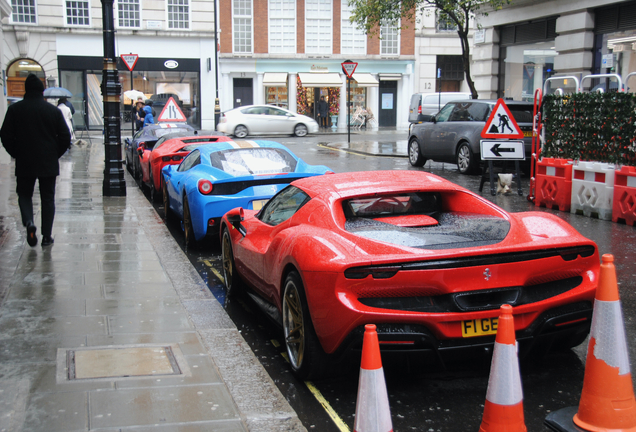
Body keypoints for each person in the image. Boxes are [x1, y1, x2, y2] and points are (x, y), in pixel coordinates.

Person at [0, 74, 71, 247]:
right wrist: (55, 153)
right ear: (42, 91)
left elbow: (5, 135)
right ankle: (46, 236)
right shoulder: (52, 111)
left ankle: (29, 222)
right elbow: (65, 136)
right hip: (48, 161)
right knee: (47, 198)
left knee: (24, 194)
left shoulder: (15, 110)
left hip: (25, 160)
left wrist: (16, 153)